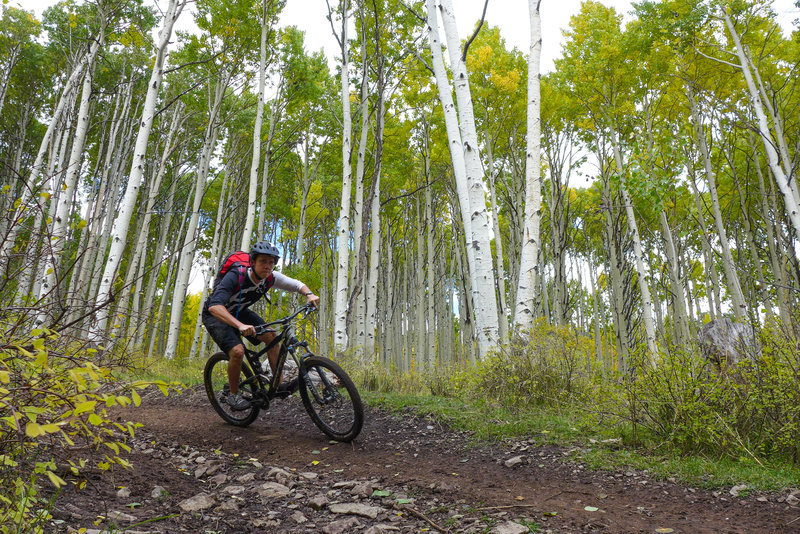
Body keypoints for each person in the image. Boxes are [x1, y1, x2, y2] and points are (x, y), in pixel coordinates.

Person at [202, 241, 320, 410]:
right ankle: (233, 395)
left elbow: (296, 284)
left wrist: (309, 294)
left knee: (272, 336)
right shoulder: (236, 275)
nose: (267, 266)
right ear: (252, 262)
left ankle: (278, 386)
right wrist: (240, 326)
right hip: (216, 314)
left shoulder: (270, 278)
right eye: (263, 261)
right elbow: (214, 306)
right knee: (237, 351)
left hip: (239, 310)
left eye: (271, 262)